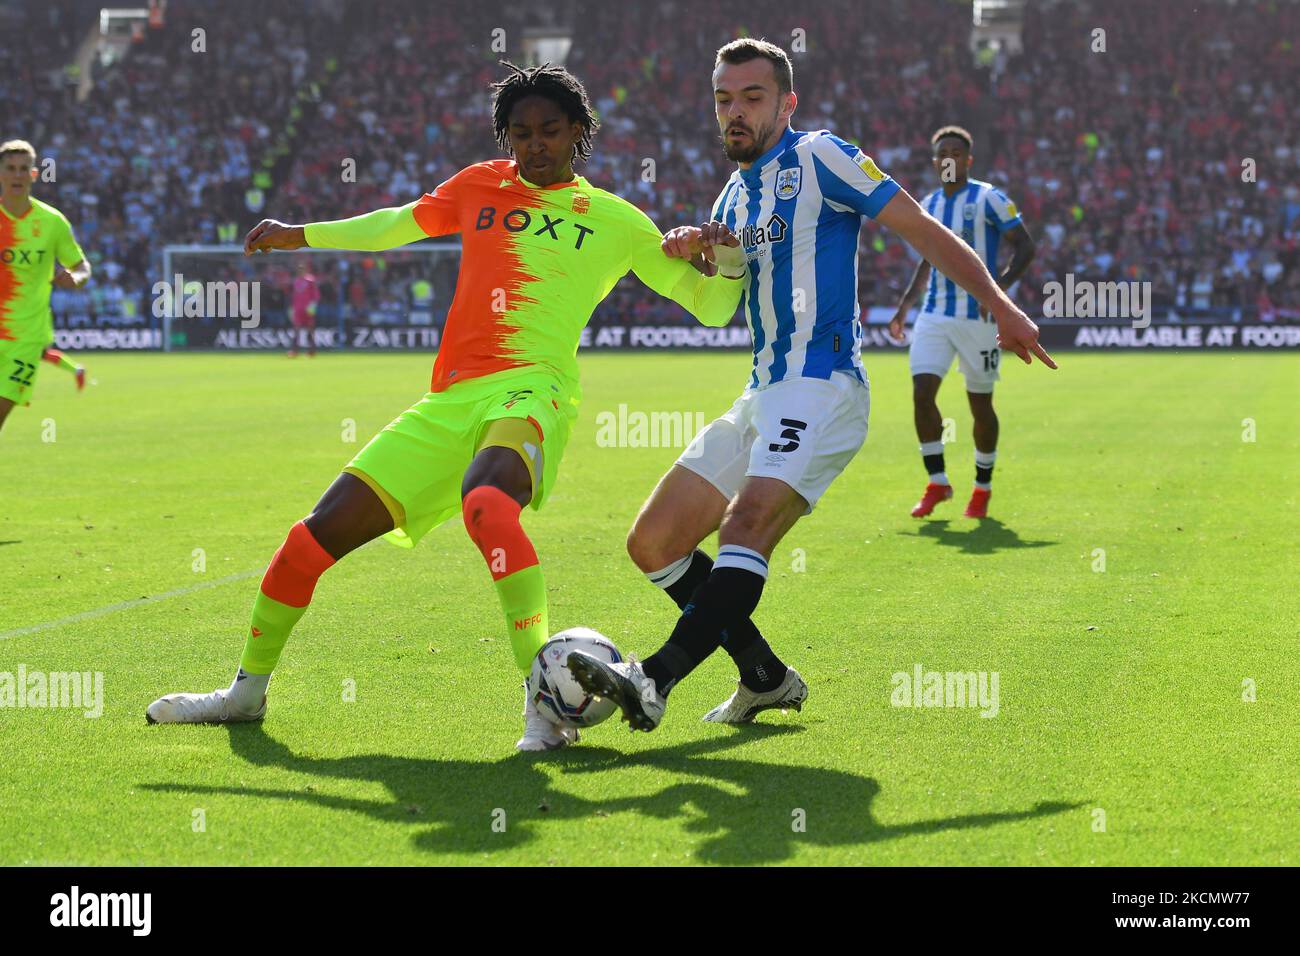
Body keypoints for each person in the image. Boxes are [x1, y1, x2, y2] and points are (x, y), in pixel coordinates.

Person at [145, 62, 746, 752]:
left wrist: (726, 261)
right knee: (305, 544)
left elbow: (710, 306)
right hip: (450, 400)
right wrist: (299, 234)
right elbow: (394, 225)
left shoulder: (615, 219)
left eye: (550, 131)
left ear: (579, 132)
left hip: (533, 389)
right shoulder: (479, 185)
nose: (535, 145)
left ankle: (543, 713)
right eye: (520, 134)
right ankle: (244, 695)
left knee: (487, 504)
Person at [566, 40, 1055, 732]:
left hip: (822, 385)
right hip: (761, 392)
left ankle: (652, 678)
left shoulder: (822, 156)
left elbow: (920, 228)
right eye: (724, 99)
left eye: (752, 98)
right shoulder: (732, 195)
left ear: (786, 103)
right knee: (654, 542)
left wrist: (1001, 306)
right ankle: (763, 677)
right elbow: (727, 295)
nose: (735, 112)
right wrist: (698, 253)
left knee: (745, 524)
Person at [889, 126, 1037, 519]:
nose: (949, 158)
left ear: (968, 160)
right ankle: (937, 482)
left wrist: (999, 294)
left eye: (957, 152)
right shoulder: (928, 205)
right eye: (943, 153)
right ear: (935, 161)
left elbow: (1025, 246)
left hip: (980, 319)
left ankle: (982, 488)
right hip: (934, 314)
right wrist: (905, 307)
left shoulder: (990, 199)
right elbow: (927, 257)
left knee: (980, 403)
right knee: (922, 392)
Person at [0, 139, 92, 435]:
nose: (17, 175)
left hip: (26, 337)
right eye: (10, 169)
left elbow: (81, 265)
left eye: (23, 169)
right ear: (1, 174)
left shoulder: (52, 222)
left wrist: (75, 279)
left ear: (34, 175)